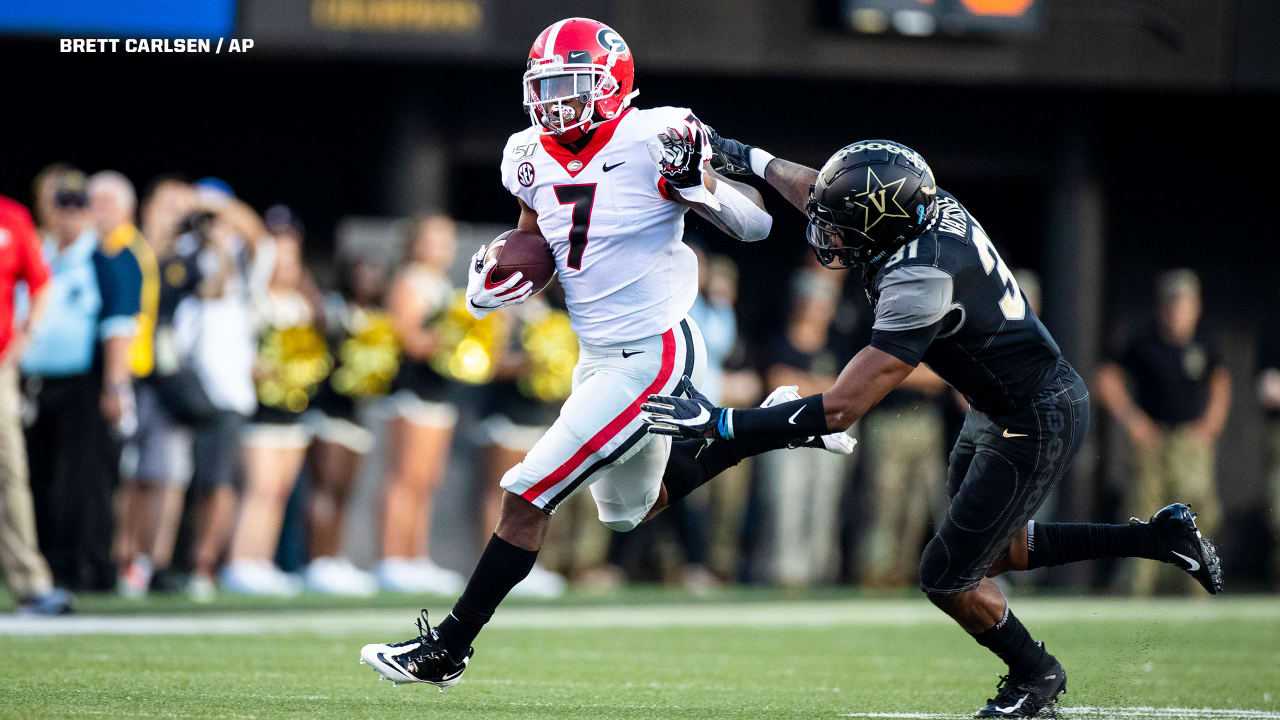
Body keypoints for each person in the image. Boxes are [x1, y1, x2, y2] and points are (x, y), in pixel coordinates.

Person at [646, 137, 1224, 718]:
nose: (829, 234)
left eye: (845, 226)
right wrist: (747, 158)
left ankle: (1036, 673)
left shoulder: (922, 278)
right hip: (1000, 408)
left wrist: (724, 422)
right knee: (991, 554)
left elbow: (843, 408)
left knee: (947, 574)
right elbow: (828, 191)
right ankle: (1157, 538)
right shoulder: (916, 206)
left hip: (1034, 417)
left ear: (883, 224)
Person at [359, 17, 849, 688]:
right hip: (598, 352)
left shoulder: (656, 133)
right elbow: (536, 238)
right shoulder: (525, 152)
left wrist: (698, 185)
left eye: (571, 86)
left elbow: (758, 224)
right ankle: (775, 425)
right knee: (628, 511)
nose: (555, 103)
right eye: (547, 88)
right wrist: (497, 279)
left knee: (527, 494)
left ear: (611, 84)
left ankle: (448, 648)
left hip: (657, 349)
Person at [23, 169, 141, 592]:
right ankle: (50, 563)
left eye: (79, 206)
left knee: (84, 480)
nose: (69, 216)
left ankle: (88, 566)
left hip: (86, 384)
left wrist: (115, 386)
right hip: (38, 382)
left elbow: (119, 326)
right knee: (40, 478)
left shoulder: (106, 260)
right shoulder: (41, 255)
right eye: (62, 206)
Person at [1096, 269, 1230, 595]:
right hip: (1152, 440)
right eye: (1171, 303)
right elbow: (1106, 377)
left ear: (1195, 307)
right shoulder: (1143, 340)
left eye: (1182, 303)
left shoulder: (1204, 341)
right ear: (1161, 306)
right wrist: (1132, 419)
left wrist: (1212, 422)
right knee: (1143, 513)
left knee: (1201, 512)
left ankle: (1196, 588)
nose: (1176, 310)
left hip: (1190, 441)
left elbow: (1220, 379)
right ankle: (1135, 590)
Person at [221, 221, 323, 596]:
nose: (284, 264)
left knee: (280, 490)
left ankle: (261, 561)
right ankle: (240, 562)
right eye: (277, 256)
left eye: (291, 256)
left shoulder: (301, 304)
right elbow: (239, 358)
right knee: (259, 488)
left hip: (292, 411)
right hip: (261, 412)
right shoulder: (253, 305)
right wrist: (270, 371)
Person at [377, 214, 465, 594]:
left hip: (438, 394)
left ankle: (417, 558)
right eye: (435, 239)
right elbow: (408, 338)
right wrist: (455, 341)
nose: (444, 247)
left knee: (427, 481)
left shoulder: (442, 283)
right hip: (412, 393)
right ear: (415, 243)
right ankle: (392, 559)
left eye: (448, 239)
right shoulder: (409, 280)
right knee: (405, 478)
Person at [302, 256, 396, 596]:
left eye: (375, 274)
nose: (368, 280)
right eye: (362, 272)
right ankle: (316, 561)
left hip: (357, 416)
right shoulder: (334, 310)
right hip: (329, 413)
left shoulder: (376, 319)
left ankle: (334, 557)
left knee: (344, 491)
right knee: (324, 488)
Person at [0, 193, 71, 614]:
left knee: (10, 472)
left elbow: (40, 282)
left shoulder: (11, 216)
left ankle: (30, 584)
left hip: (0, 365)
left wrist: (23, 341)